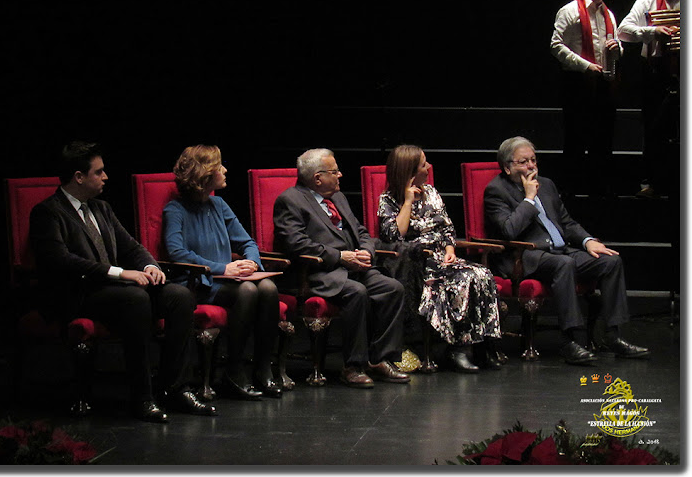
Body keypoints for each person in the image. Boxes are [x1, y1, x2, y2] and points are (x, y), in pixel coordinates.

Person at [29, 141, 215, 423]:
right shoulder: (47, 212)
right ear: (79, 177)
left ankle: (175, 387)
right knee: (135, 298)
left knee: (179, 296)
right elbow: (60, 261)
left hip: (111, 291)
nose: (106, 177)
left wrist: (150, 266)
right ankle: (142, 396)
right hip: (78, 294)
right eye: (99, 172)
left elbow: (131, 247)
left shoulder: (101, 208)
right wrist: (119, 272)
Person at [484, 136, 650, 365]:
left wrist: (587, 241)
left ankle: (613, 335)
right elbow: (509, 230)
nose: (531, 166)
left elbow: (566, 222)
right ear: (507, 167)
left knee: (610, 262)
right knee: (565, 264)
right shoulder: (496, 191)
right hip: (526, 256)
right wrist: (529, 199)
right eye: (523, 162)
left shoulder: (547, 184)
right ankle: (571, 340)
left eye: (533, 160)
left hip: (561, 250)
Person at [273, 148, 410, 388]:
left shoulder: (338, 197)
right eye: (334, 171)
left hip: (354, 267)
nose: (340, 175)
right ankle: (353, 366)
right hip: (320, 273)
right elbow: (297, 244)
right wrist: (340, 257)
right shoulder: (290, 201)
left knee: (392, 288)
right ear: (318, 178)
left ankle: (380, 359)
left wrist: (366, 251)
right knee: (357, 292)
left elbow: (361, 231)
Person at [163, 145, 283, 400]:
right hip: (198, 283)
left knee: (269, 289)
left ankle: (263, 369)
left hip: (227, 280)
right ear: (205, 174)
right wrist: (222, 267)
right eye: (220, 166)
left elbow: (247, 243)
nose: (225, 170)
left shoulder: (219, 204)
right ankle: (234, 370)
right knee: (249, 290)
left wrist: (251, 262)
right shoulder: (175, 210)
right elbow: (176, 253)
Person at [378, 145, 502, 373]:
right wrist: (407, 202)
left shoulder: (432, 193)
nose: (429, 168)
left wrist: (449, 249)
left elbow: (447, 228)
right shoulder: (387, 200)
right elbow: (394, 236)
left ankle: (484, 346)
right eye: (423, 164)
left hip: (441, 257)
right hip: (417, 264)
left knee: (482, 274)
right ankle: (457, 348)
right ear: (410, 172)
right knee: (464, 278)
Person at [550, 0, 622, 200]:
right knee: (576, 136)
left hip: (603, 80)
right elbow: (556, 45)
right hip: (578, 80)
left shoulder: (609, 14)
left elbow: (617, 44)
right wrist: (585, 65)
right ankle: (571, 188)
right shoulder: (570, 10)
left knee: (603, 137)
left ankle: (600, 186)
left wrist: (617, 48)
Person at [617, 0, 680, 198]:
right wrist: (652, 32)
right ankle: (656, 182)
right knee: (655, 129)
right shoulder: (648, 0)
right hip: (657, 72)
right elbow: (623, 31)